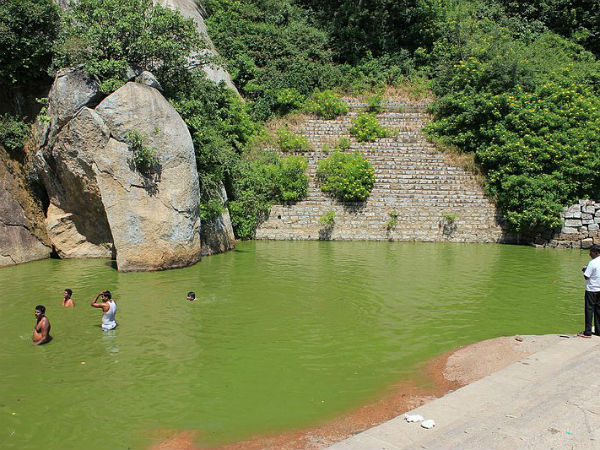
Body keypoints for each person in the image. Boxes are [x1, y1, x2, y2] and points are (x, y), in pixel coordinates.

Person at [579, 244, 600, 337]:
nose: (589, 254)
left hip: (591, 289)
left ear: (596, 253)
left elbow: (586, 276)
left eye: (591, 252)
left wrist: (584, 269)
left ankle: (587, 332)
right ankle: (598, 331)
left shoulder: (592, 263)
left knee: (589, 310)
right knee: (598, 311)